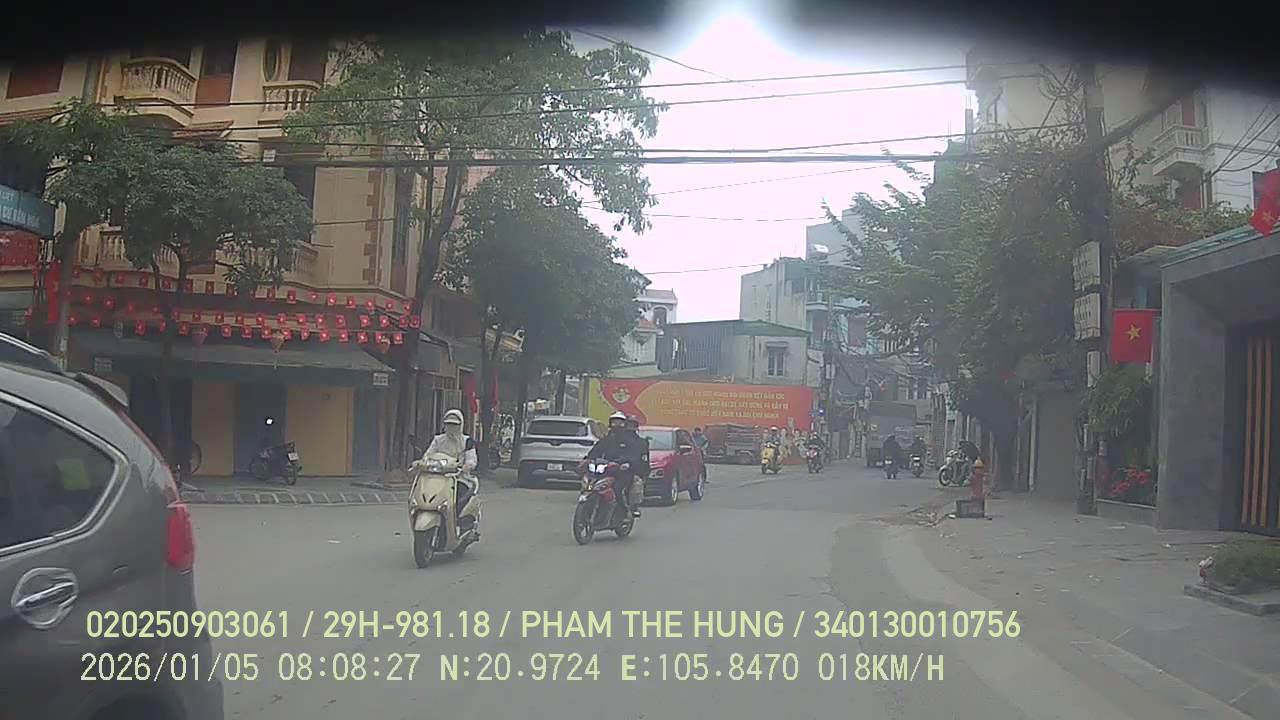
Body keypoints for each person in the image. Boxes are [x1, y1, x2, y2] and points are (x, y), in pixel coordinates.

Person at [420, 408, 479, 527]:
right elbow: (428, 455)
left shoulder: (467, 441)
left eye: (454, 425)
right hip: (438, 477)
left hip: (459, 478)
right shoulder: (438, 440)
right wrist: (421, 463)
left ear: (460, 425)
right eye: (448, 424)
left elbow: (472, 459)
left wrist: (467, 466)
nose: (451, 428)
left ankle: (458, 521)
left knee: (458, 500)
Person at [584, 412, 644, 518]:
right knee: (591, 483)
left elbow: (634, 456)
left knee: (617, 488)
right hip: (606, 470)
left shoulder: (630, 440)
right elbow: (595, 451)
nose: (616, 425)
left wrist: (625, 462)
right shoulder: (606, 439)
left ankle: (625, 511)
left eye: (619, 422)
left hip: (622, 472)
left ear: (624, 424)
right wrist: (588, 460)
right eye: (614, 422)